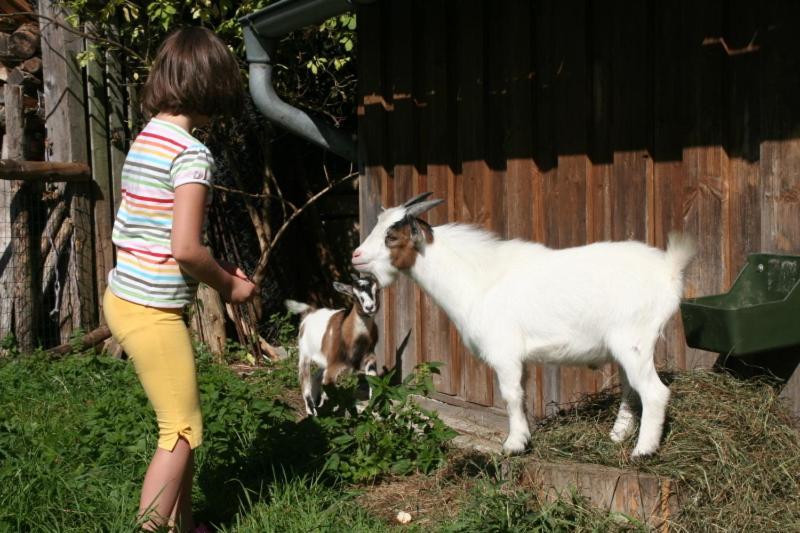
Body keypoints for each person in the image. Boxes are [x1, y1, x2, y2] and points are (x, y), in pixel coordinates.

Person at [103, 27, 256, 532]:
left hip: (126, 298)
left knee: (184, 421)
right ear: (215, 86)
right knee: (181, 429)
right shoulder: (191, 153)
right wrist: (230, 285)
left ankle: (185, 526)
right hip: (150, 313)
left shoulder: (148, 136)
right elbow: (186, 249)